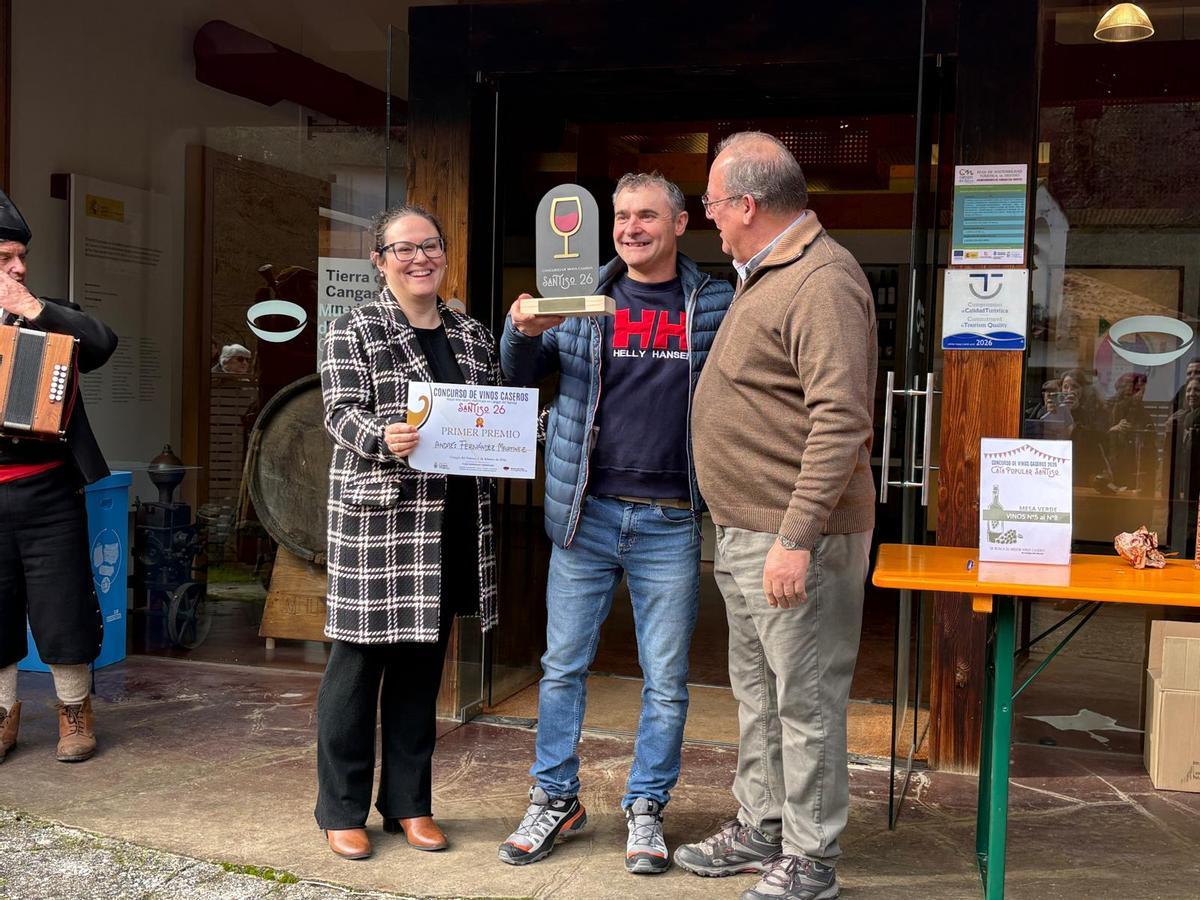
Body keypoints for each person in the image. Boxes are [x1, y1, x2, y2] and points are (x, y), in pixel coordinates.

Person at [497, 172, 734, 874]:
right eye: (622, 217)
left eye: (647, 216)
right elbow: (520, 376)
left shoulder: (716, 300)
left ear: (680, 222)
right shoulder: (575, 297)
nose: (632, 228)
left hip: (671, 521)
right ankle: (554, 799)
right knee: (562, 667)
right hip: (586, 513)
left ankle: (645, 808)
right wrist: (519, 330)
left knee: (666, 677)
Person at [677, 132, 876, 900]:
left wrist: (795, 538)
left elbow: (839, 421)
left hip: (796, 536)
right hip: (748, 528)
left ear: (749, 205)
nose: (711, 218)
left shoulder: (821, 279)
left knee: (807, 700)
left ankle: (811, 857)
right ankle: (762, 826)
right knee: (759, 692)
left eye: (714, 205)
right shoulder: (766, 273)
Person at [315, 204, 499, 860]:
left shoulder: (472, 333)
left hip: (450, 519)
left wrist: (529, 433)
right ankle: (341, 809)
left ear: (444, 254)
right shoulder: (355, 327)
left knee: (423, 670)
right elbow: (337, 410)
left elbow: (489, 414)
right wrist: (379, 435)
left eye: (430, 247)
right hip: (381, 519)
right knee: (356, 670)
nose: (420, 259)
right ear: (380, 259)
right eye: (404, 249)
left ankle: (409, 804)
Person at [0, 188, 118, 765]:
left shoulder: (46, 313)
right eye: (4, 259)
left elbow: (101, 344)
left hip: (47, 488)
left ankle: (74, 711)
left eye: (20, 256)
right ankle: (3, 714)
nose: (19, 267)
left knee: (62, 602)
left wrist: (30, 309)